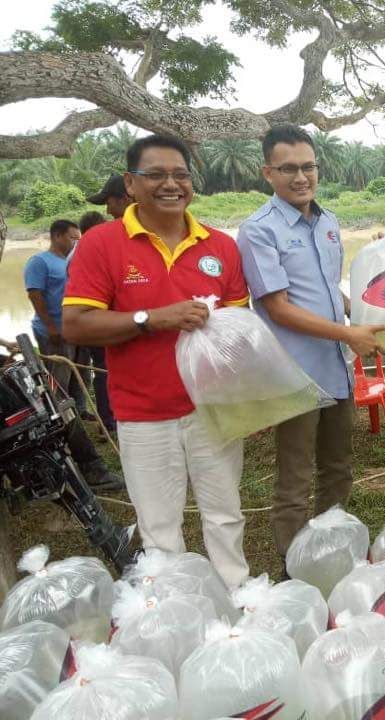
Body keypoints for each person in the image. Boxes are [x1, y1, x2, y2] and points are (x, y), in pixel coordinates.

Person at [62, 134, 251, 588]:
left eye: (181, 174)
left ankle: (239, 603)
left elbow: (239, 330)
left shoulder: (221, 247)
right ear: (131, 183)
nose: (171, 184)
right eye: (156, 175)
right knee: (160, 528)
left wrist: (247, 398)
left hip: (212, 410)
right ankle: (174, 612)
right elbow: (75, 324)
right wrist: (150, 319)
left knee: (225, 516)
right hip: (143, 413)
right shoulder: (102, 243)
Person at [236, 124, 385, 570]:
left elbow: (324, 289)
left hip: (335, 365)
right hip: (294, 371)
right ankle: (295, 561)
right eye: (288, 169)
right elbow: (278, 308)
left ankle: (332, 548)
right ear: (268, 172)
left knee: (338, 466)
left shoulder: (328, 222)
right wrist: (349, 335)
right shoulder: (258, 230)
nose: (300, 177)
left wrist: (360, 312)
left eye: (308, 167)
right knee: (296, 473)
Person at [23, 219, 92, 419]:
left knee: (81, 372)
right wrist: (51, 327)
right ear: (57, 236)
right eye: (73, 238)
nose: (76, 243)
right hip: (54, 330)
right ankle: (63, 416)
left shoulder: (73, 260)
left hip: (78, 329)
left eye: (79, 240)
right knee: (59, 375)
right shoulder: (39, 261)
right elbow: (34, 294)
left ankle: (81, 410)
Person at [70, 211, 116, 434]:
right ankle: (107, 421)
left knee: (105, 370)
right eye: (102, 225)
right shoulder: (83, 254)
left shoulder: (92, 250)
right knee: (103, 371)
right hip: (95, 324)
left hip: (103, 322)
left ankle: (108, 417)